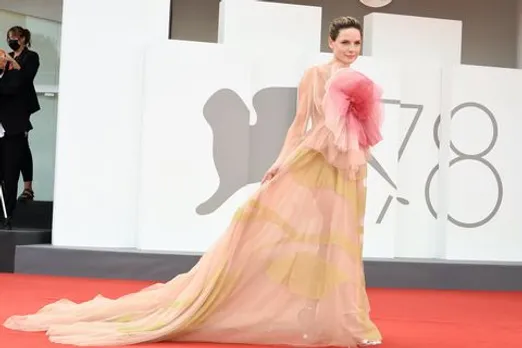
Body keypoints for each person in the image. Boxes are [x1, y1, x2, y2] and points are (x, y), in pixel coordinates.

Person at [3, 16, 383, 347]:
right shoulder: (314, 76)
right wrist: (280, 162)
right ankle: (261, 304)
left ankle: (345, 320)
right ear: (331, 42)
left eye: (357, 43)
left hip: (349, 170)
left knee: (342, 241)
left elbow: (364, 131)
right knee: (278, 225)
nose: (351, 49)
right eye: (345, 42)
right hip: (312, 161)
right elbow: (300, 124)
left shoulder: (362, 81)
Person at [0, 26, 39, 228]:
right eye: (9, 38)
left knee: (19, 150)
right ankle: (26, 189)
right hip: (7, 115)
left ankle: (27, 188)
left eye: (14, 38)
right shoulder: (6, 61)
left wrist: (13, 62)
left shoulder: (30, 57)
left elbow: (23, 79)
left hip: (20, 110)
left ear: (23, 38)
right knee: (20, 151)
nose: (11, 41)